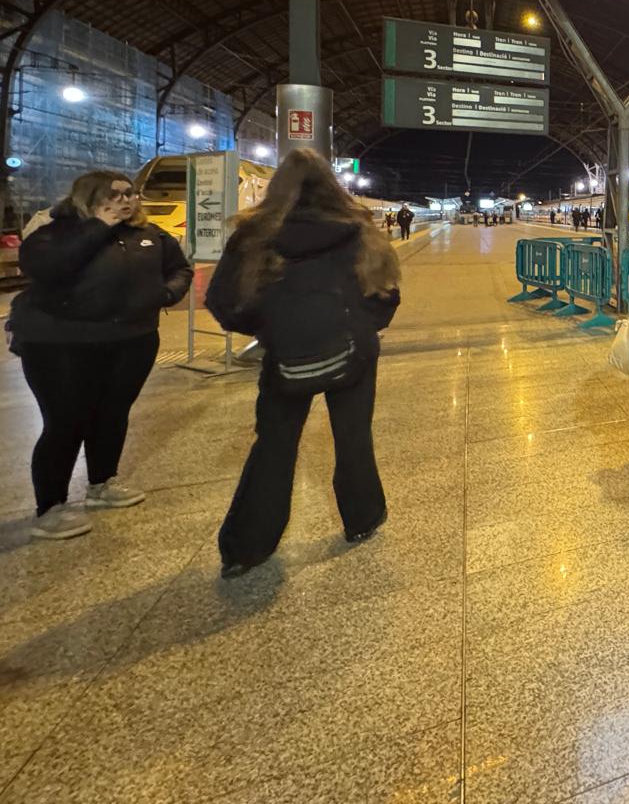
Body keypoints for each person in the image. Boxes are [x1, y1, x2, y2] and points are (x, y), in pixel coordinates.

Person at [206, 150, 401, 578]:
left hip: (285, 357)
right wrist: (362, 327)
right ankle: (362, 519)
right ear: (332, 184)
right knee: (353, 438)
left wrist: (272, 331)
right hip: (354, 352)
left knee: (274, 445)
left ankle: (247, 547)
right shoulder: (359, 230)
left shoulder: (254, 234)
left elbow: (223, 301)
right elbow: (386, 291)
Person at [12, 171, 193, 540]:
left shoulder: (149, 235)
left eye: (130, 194)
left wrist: (166, 294)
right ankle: (50, 506)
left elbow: (179, 269)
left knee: (112, 413)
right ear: (88, 197)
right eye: (114, 195)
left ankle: (101, 482)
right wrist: (97, 227)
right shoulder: (55, 232)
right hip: (60, 345)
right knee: (65, 421)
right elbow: (45, 268)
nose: (126, 201)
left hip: (132, 340)